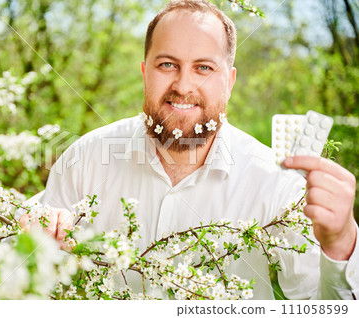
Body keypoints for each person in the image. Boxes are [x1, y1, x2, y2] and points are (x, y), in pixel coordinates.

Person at [20, 0, 358, 299]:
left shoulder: (278, 182)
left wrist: (341, 244)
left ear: (229, 81)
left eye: (204, 68)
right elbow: (24, 276)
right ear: (144, 73)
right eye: (167, 64)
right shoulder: (85, 159)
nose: (183, 85)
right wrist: (31, 235)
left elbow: (324, 306)